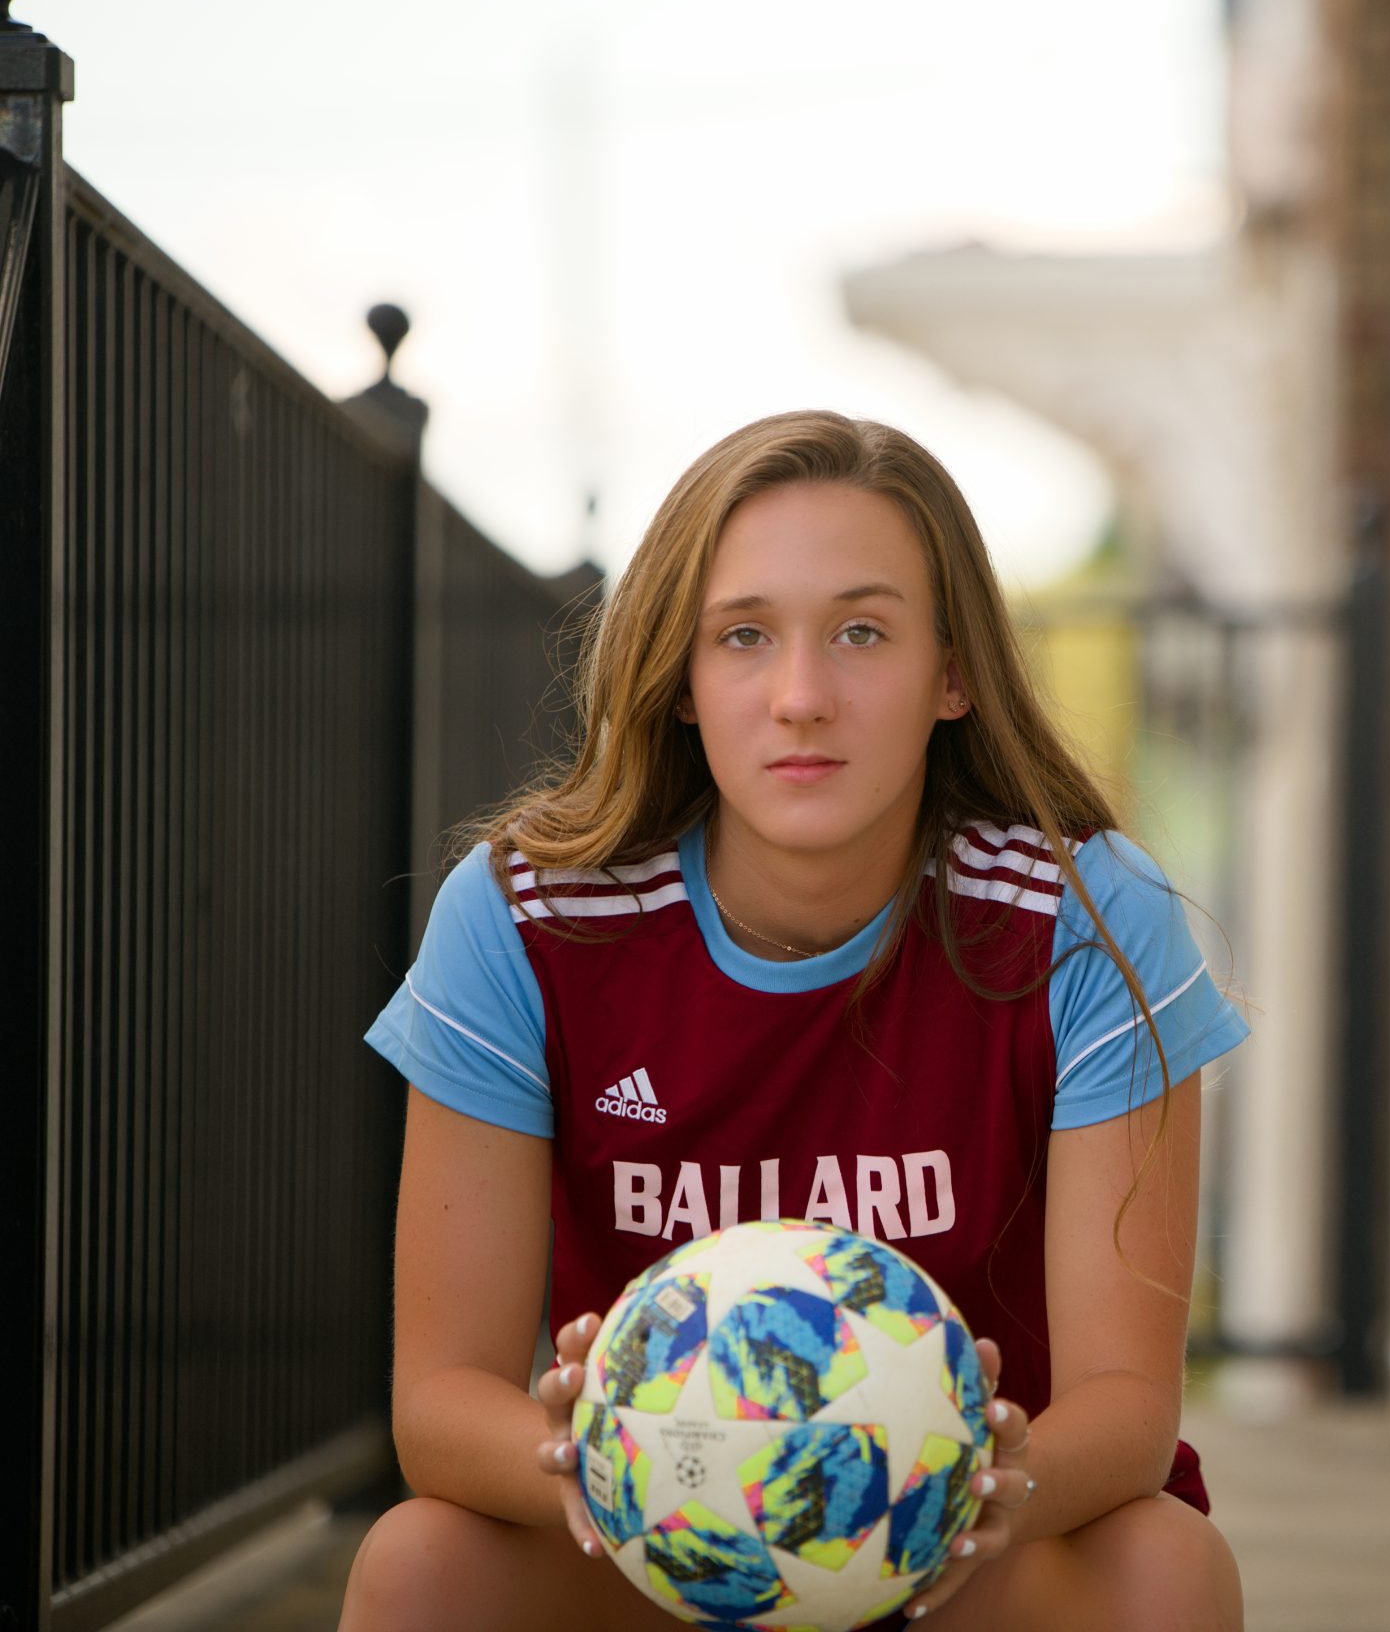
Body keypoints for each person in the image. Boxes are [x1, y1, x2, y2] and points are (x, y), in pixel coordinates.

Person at [338, 411, 1250, 1631]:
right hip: (652, 1541)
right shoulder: (527, 919)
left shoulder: (1083, 915)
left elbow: (1127, 1410)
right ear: (680, 677)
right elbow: (442, 1402)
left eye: (862, 632)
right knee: (420, 1565)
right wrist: (614, 1465)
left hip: (962, 1548)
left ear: (952, 673)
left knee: (1167, 1573)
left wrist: (964, 1485)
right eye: (744, 636)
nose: (802, 696)